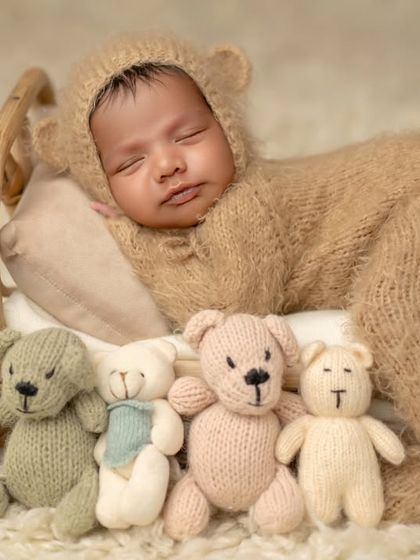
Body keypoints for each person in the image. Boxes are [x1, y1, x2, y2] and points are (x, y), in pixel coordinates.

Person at [33, 31, 420, 523]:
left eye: (188, 136)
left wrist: (132, 236)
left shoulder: (245, 205)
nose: (169, 164)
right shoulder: (202, 207)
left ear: (226, 125)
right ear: (98, 180)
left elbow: (226, 306)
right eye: (131, 162)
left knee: (392, 309)